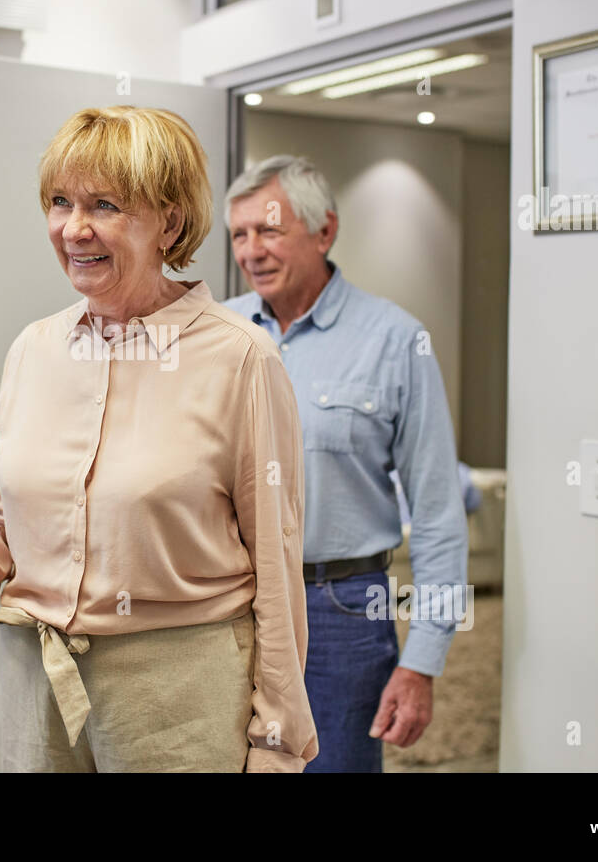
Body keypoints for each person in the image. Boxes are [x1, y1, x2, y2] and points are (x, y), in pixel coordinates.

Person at [0, 107, 317, 772]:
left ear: (168, 222)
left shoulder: (242, 358)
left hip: (179, 695)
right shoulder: (33, 349)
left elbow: (279, 565)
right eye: (60, 202)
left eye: (105, 205)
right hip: (38, 682)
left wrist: (278, 738)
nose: (73, 228)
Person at [223, 155, 468, 773]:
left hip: (341, 612)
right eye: (239, 234)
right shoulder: (216, 332)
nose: (252, 251)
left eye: (270, 230)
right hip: (224, 608)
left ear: (324, 231)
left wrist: (423, 660)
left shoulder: (395, 341)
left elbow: (438, 511)